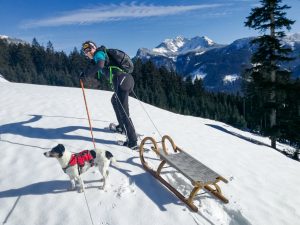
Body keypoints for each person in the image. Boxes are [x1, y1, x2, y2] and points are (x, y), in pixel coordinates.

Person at [80, 41, 137, 149]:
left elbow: (100, 65)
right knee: (114, 100)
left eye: (89, 49)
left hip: (122, 80)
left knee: (124, 112)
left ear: (94, 47)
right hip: (125, 80)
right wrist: (84, 74)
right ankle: (121, 127)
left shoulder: (99, 53)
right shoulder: (97, 58)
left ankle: (132, 142)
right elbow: (94, 66)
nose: (87, 52)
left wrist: (86, 75)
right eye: (85, 51)